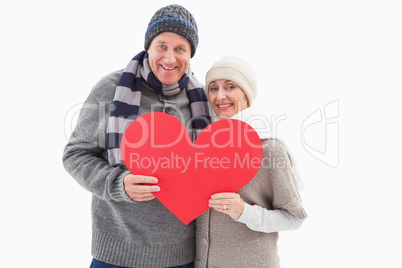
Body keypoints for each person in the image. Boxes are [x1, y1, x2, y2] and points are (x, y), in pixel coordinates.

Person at [62, 4, 210, 268]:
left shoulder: (200, 98)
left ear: (191, 54)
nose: (169, 58)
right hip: (117, 253)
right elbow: (75, 155)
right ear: (148, 47)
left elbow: (210, 166)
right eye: (162, 46)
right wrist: (118, 182)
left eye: (180, 49)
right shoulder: (112, 88)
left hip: (182, 256)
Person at [195, 57, 307, 268]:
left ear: (247, 92)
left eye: (230, 86)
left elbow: (295, 218)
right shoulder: (202, 144)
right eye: (213, 88)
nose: (220, 96)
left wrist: (243, 211)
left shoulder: (269, 147)